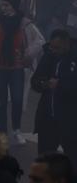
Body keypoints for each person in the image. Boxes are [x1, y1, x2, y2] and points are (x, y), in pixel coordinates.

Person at [0, 0, 44, 144]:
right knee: (0, 101)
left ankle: (16, 130)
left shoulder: (26, 24)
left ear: (14, 6)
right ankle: (2, 131)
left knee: (17, 99)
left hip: (17, 68)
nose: (4, 8)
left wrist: (28, 54)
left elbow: (39, 41)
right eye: (3, 5)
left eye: (6, 5)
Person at [30, 28, 77, 161]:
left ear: (66, 43)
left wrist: (60, 85)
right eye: (52, 47)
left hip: (70, 120)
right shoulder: (49, 54)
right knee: (44, 161)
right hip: (48, 118)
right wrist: (43, 84)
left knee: (72, 160)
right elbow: (35, 80)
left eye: (57, 47)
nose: (54, 50)